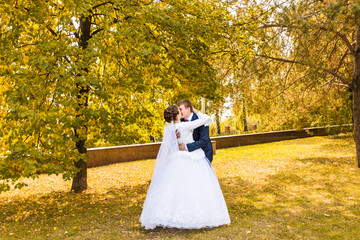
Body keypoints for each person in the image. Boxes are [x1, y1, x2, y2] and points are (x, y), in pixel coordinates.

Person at [140, 105, 230, 229]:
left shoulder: (169, 128)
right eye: (179, 111)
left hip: (176, 157)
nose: (181, 112)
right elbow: (206, 119)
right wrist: (196, 110)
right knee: (192, 186)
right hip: (190, 157)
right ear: (177, 115)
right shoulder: (184, 125)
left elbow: (170, 144)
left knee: (173, 186)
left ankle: (167, 214)